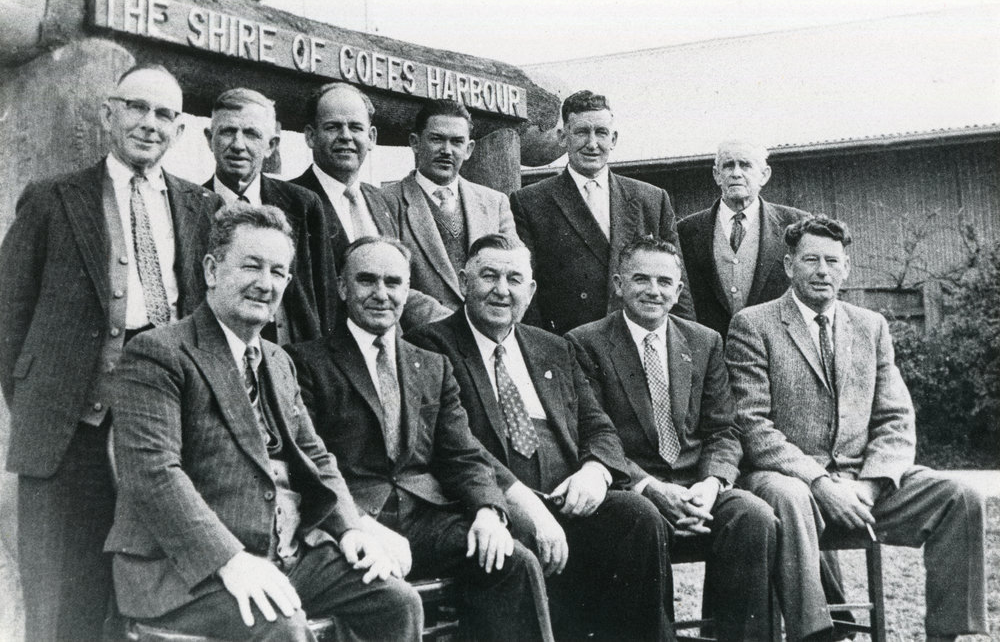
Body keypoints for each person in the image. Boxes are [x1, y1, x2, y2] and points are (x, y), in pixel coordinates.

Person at [106, 204, 422, 640]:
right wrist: (228, 559)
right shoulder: (159, 354)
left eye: (278, 272)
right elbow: (154, 474)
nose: (264, 283)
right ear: (212, 270)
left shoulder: (276, 359)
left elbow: (315, 455)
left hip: (285, 557)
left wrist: (351, 527)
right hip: (186, 571)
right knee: (281, 626)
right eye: (251, 266)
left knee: (395, 601)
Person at [0, 64, 221, 641]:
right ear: (108, 113)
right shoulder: (53, 198)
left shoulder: (201, 208)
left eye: (165, 114)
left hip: (164, 432)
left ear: (179, 128)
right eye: (137, 108)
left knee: (146, 599)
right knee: (58, 605)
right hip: (68, 435)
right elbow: (7, 318)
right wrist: (43, 404)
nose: (150, 124)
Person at [727, 215, 988, 642]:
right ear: (789, 265)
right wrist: (821, 483)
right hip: (792, 481)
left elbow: (896, 418)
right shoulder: (754, 325)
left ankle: (947, 634)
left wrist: (868, 486)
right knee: (787, 495)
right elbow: (753, 425)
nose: (822, 271)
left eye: (833, 260)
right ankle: (818, 634)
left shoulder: (871, 326)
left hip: (863, 486)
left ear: (847, 268)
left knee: (960, 497)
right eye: (810, 259)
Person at [407, 234, 674, 642]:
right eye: (489, 276)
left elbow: (598, 425)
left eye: (514, 279)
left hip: (566, 498)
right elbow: (454, 445)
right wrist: (526, 506)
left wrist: (595, 472)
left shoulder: (553, 347)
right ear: (463, 281)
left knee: (636, 517)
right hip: (497, 503)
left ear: (530, 291)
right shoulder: (431, 347)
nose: (501, 289)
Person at [286, 237, 553, 642]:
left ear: (406, 289)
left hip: (425, 518)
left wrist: (487, 511)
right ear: (343, 287)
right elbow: (306, 461)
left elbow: (462, 454)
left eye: (393, 283)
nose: (381, 294)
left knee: (512, 561)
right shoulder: (305, 363)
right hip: (356, 522)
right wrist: (355, 524)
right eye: (366, 281)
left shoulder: (431, 365)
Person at [566, 236, 778, 641]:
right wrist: (649, 486)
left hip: (696, 483)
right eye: (640, 279)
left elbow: (724, 428)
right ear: (617, 283)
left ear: (679, 290)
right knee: (642, 520)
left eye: (664, 282)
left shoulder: (703, 341)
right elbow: (592, 436)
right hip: (633, 487)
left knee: (754, 516)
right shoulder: (585, 343)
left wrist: (711, 485)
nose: (653, 291)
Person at [510, 90, 694, 335]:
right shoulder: (531, 202)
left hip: (639, 340)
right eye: (582, 132)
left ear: (614, 139)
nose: (592, 144)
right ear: (563, 137)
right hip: (569, 344)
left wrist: (688, 346)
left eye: (601, 133)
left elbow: (677, 284)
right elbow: (527, 293)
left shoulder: (651, 199)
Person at [290, 83, 449, 329]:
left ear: (371, 137)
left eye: (355, 127)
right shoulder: (290, 201)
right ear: (311, 136)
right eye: (333, 127)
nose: (346, 136)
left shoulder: (383, 200)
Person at [203, 87, 338, 343]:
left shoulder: (303, 204)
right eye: (228, 131)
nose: (238, 145)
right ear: (210, 138)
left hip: (296, 357)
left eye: (252, 134)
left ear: (271, 145)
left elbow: (325, 297)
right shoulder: (193, 207)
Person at [383, 99, 519, 311]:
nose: (446, 150)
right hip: (422, 337)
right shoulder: (387, 201)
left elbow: (515, 271)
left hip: (485, 333)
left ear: (469, 149)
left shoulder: (495, 202)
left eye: (457, 142)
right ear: (415, 142)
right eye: (437, 139)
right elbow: (386, 280)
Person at [677, 140, 808, 340]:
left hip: (774, 348)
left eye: (745, 165)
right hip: (711, 354)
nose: (736, 173)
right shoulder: (686, 230)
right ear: (716, 175)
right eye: (729, 165)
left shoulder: (796, 224)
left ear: (764, 175)